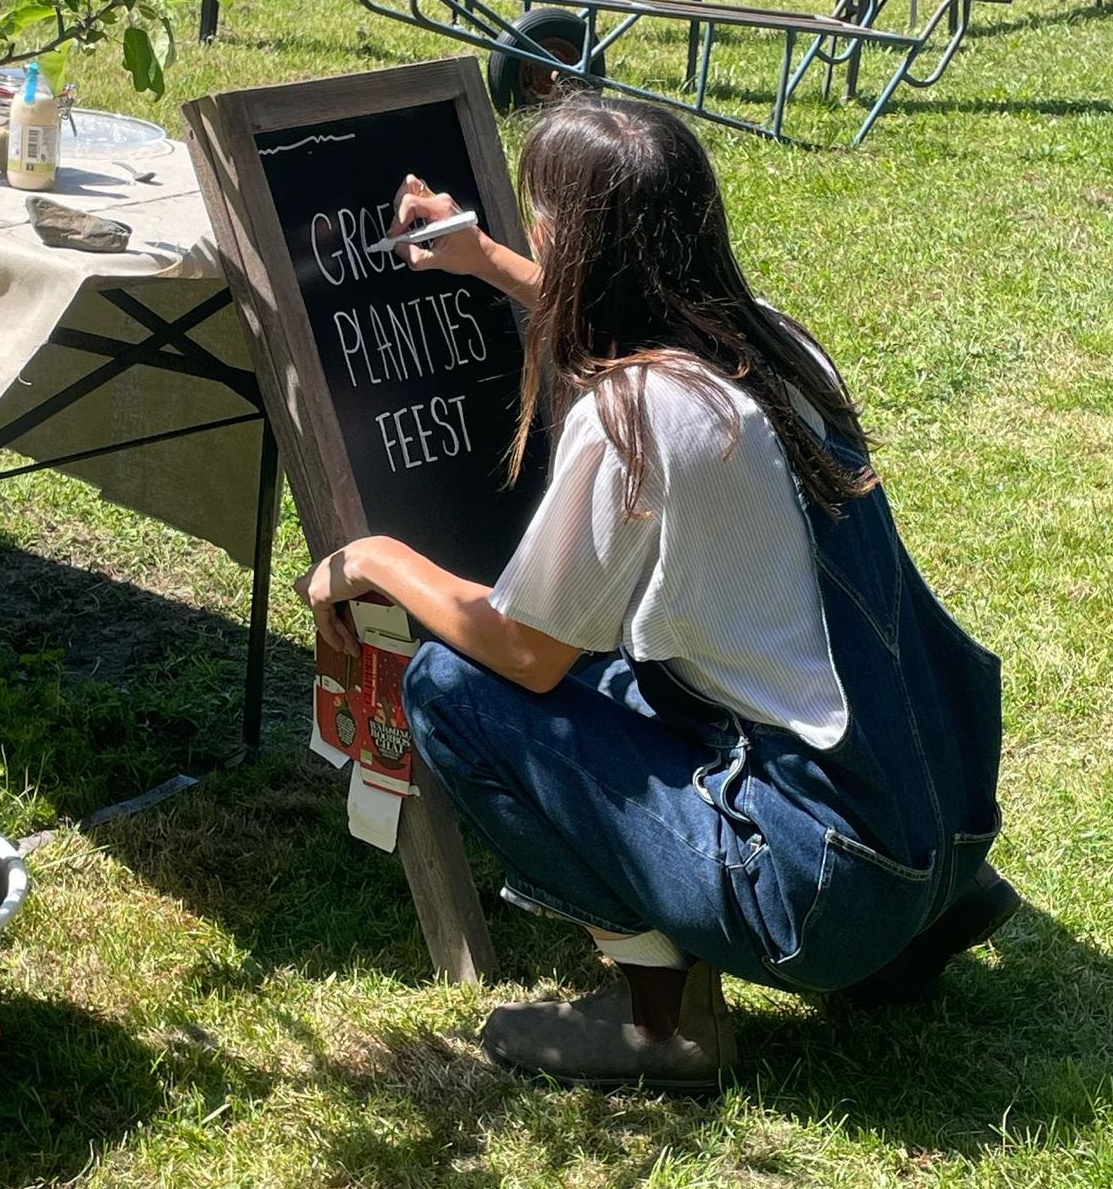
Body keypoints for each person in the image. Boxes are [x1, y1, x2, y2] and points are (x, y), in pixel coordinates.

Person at [294, 96, 1019, 1091]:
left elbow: (523, 651)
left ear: (579, 240)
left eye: (541, 215)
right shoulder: (773, 340)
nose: (532, 230)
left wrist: (377, 556)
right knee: (636, 674)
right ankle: (923, 921)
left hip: (819, 888)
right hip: (934, 821)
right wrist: (490, 264)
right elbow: (616, 303)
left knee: (455, 696)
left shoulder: (637, 415)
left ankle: (658, 1030)